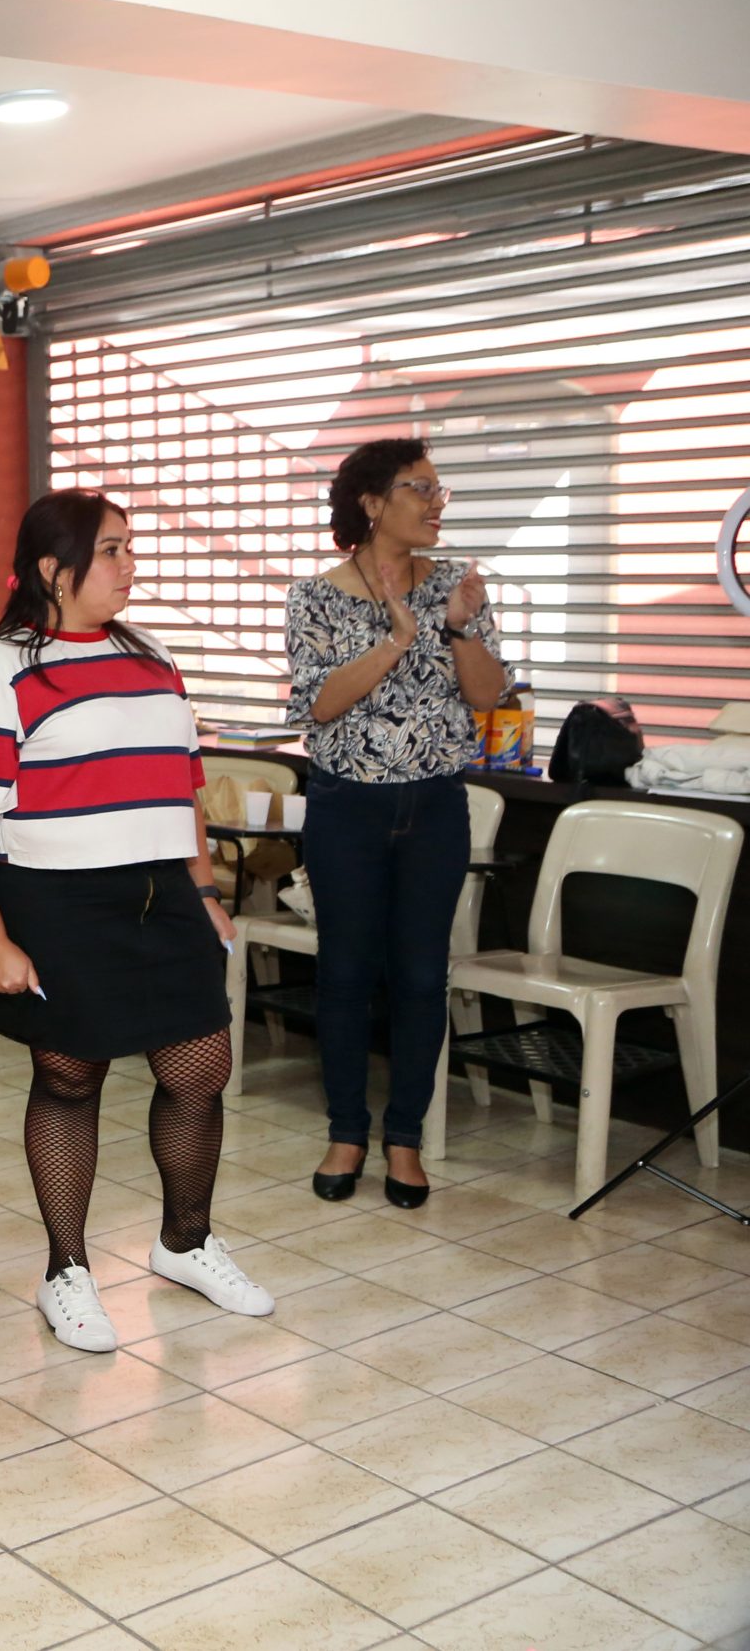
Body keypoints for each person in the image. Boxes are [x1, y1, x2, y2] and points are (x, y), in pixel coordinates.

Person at [0, 490, 273, 1354]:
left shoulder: (150, 656)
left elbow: (181, 783)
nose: (129, 564)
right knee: (71, 1079)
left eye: (129, 547)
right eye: (111, 550)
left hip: (163, 894)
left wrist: (202, 888)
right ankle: (66, 1271)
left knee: (200, 1068)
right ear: (53, 569)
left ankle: (184, 1241)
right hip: (60, 899)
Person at [288, 440, 509, 1209]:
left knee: (421, 977)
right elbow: (318, 706)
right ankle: (346, 1131)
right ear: (373, 503)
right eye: (421, 488)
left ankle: (406, 1141)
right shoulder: (315, 596)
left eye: (440, 488)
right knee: (346, 973)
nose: (437, 501)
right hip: (346, 807)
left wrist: (456, 629)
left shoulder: (458, 586)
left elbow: (487, 697)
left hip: (436, 807)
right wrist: (396, 637)